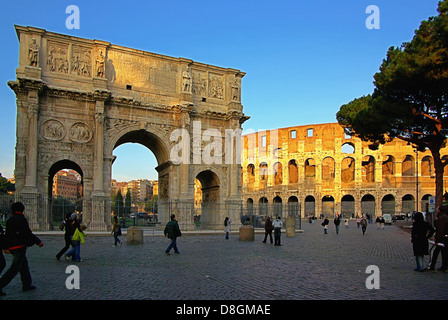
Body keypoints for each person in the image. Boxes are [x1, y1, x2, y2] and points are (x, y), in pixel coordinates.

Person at [0, 202, 44, 296]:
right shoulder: (21, 219)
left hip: (12, 246)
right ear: (22, 209)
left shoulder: (10, 220)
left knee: (24, 266)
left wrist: (6, 247)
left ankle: (27, 284)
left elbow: (8, 235)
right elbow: (27, 233)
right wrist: (38, 242)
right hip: (19, 246)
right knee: (14, 268)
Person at [428, 205, 448, 271]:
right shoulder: (445, 217)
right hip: (445, 237)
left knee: (435, 251)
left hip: (441, 238)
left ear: (439, 210)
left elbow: (440, 229)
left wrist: (437, 238)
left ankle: (432, 265)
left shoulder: (440, 218)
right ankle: (444, 266)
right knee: (444, 252)